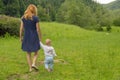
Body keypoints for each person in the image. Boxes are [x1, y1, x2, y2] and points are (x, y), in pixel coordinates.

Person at [19, 4, 42, 72]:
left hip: (26, 36)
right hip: (34, 36)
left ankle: (30, 68)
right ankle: (34, 63)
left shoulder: (23, 18)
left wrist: (20, 37)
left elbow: (21, 29)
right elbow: (38, 29)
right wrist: (40, 37)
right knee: (36, 52)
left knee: (28, 53)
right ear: (34, 10)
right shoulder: (35, 18)